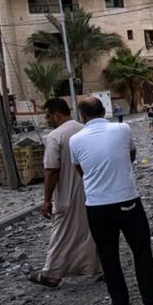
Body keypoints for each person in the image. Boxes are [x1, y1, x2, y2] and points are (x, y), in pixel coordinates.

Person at [69, 97, 153, 305]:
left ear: (83, 116)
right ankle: (151, 299)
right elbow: (131, 156)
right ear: (104, 111)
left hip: (96, 205)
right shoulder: (122, 129)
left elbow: (82, 171)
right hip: (127, 200)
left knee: (108, 256)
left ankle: (120, 304)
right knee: (141, 250)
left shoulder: (75, 140)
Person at [28, 98, 100, 288]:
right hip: (92, 191)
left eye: (48, 116)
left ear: (56, 115)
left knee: (61, 233)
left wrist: (46, 200)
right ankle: (95, 267)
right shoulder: (84, 129)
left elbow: (52, 170)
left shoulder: (55, 136)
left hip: (67, 194)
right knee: (90, 231)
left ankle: (51, 273)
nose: (48, 120)